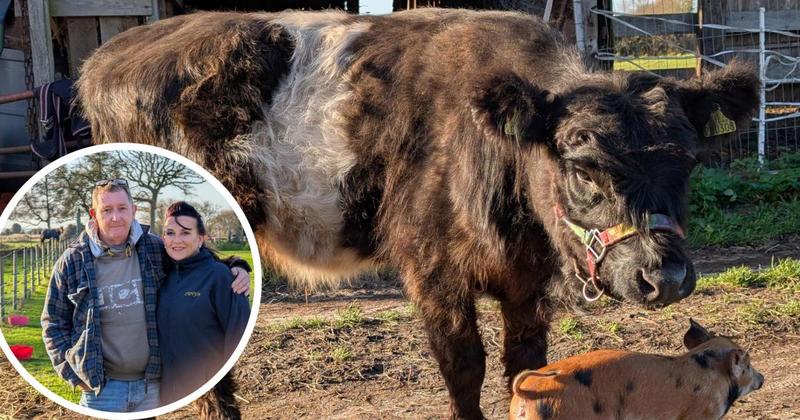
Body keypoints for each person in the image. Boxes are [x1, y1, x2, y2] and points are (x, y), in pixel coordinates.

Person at [41, 179, 250, 412]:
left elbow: (194, 262)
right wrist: (72, 374)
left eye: (122, 208)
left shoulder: (153, 248)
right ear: (94, 213)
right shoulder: (72, 261)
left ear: (134, 210)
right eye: (106, 210)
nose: (115, 217)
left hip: (149, 387)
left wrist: (235, 265)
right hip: (101, 390)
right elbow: (53, 322)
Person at [157, 201, 251, 405]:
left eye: (185, 233)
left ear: (200, 238)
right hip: (165, 391)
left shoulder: (221, 277)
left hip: (210, 393)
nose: (176, 240)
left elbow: (238, 334)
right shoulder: (161, 272)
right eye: (170, 233)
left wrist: (238, 265)